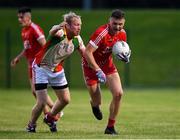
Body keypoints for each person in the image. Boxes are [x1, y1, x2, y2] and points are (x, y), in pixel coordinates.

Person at [26, 11, 85, 133]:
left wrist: (96, 68)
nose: (79, 27)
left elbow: (85, 54)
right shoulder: (60, 33)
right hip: (41, 67)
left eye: (80, 24)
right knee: (41, 103)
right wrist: (58, 26)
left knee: (65, 100)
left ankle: (50, 117)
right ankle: (31, 125)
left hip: (57, 69)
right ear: (67, 25)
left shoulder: (77, 40)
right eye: (76, 24)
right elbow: (52, 30)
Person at [82, 9, 130, 135]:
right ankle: (94, 105)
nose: (117, 27)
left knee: (118, 94)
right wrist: (97, 69)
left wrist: (124, 56)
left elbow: (118, 49)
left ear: (123, 23)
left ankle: (110, 127)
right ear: (109, 21)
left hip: (107, 66)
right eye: (115, 23)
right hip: (90, 66)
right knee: (97, 101)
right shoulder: (101, 33)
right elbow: (87, 52)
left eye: (120, 24)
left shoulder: (122, 34)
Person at [11, 7, 58, 117]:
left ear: (28, 17)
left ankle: (54, 111)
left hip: (38, 64)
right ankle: (51, 112)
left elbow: (45, 45)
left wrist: (48, 61)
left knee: (38, 91)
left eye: (21, 17)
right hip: (30, 65)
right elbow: (27, 48)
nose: (19, 19)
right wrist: (18, 57)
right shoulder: (24, 30)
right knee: (34, 91)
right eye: (18, 17)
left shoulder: (34, 29)